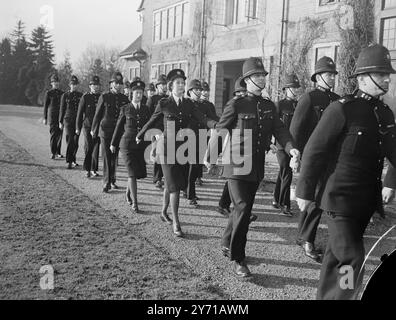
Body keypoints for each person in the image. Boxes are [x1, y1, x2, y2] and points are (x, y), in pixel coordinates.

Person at [296, 44, 396, 300]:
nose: (387, 78)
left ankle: (327, 296)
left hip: (364, 203)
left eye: (388, 74)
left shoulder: (384, 114)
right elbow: (314, 150)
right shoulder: (342, 109)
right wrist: (304, 191)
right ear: (362, 78)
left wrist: (391, 183)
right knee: (351, 258)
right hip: (339, 201)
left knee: (336, 255)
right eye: (381, 73)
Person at [208, 57, 300, 278]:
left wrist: (291, 148)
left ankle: (227, 241)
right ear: (247, 80)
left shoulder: (269, 106)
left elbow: (280, 130)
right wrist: (211, 157)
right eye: (257, 75)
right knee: (243, 208)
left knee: (242, 208)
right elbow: (220, 130)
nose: (262, 78)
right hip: (236, 165)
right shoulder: (236, 104)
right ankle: (239, 258)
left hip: (256, 167)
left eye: (263, 75)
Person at [136, 69, 217, 238]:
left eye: (183, 83)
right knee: (175, 188)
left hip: (183, 150)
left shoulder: (189, 104)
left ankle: (163, 211)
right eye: (178, 83)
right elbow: (152, 121)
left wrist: (215, 125)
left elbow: (202, 118)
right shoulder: (164, 103)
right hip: (166, 150)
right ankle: (176, 221)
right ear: (171, 85)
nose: (181, 85)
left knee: (172, 184)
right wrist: (140, 134)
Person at [289, 56, 340, 262]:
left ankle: (303, 236)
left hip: (331, 159)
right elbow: (296, 130)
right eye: (328, 74)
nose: (332, 77)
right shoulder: (308, 99)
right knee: (315, 200)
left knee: (318, 199)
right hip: (313, 158)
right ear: (318, 76)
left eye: (334, 74)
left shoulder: (337, 100)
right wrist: (296, 155)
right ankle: (307, 239)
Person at [111, 79, 151, 214]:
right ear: (131, 94)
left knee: (136, 173)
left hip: (140, 146)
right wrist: (113, 143)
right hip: (126, 145)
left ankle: (128, 194)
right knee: (132, 173)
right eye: (136, 93)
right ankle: (135, 202)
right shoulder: (125, 108)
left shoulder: (146, 109)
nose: (138, 95)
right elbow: (118, 127)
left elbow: (148, 126)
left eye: (140, 93)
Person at [91, 72, 130, 193]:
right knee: (107, 156)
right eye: (116, 83)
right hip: (105, 131)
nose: (118, 85)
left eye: (120, 83)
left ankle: (112, 179)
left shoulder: (124, 98)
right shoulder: (105, 96)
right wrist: (94, 129)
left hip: (118, 132)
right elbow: (97, 115)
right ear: (111, 84)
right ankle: (106, 181)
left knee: (114, 157)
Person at [217, 76, 247, 217]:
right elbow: (222, 127)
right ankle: (231, 207)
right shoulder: (233, 104)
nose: (244, 95)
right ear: (236, 93)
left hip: (245, 147)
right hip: (233, 146)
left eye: (245, 92)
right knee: (234, 179)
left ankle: (225, 205)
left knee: (236, 179)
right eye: (241, 93)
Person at [272, 73, 301, 217]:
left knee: (283, 172)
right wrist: (271, 143)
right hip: (281, 145)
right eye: (292, 88)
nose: (295, 90)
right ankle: (285, 204)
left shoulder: (300, 105)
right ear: (285, 89)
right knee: (287, 172)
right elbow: (274, 125)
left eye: (296, 88)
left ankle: (276, 199)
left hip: (294, 145)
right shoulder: (279, 105)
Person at [76, 75, 102, 178]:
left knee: (96, 148)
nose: (96, 87)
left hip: (98, 127)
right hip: (87, 126)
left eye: (97, 85)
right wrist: (78, 127)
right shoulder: (85, 97)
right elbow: (79, 113)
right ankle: (87, 168)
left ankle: (94, 169)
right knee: (88, 146)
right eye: (93, 85)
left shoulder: (101, 97)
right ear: (90, 86)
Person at [147, 74, 168, 189]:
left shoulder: (169, 98)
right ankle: (157, 178)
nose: (164, 87)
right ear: (157, 86)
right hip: (156, 130)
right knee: (158, 154)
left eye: (165, 84)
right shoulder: (152, 99)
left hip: (167, 130)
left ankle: (164, 176)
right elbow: (149, 116)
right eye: (161, 85)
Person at [59, 75, 83, 169]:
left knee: (76, 141)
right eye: (73, 84)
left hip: (78, 121)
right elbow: (62, 109)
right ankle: (69, 160)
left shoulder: (80, 95)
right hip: (68, 120)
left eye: (76, 84)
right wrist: (60, 121)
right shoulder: (65, 95)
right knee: (70, 140)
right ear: (70, 85)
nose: (74, 86)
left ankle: (73, 159)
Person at [43, 74, 64, 159]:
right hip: (52, 116)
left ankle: (58, 152)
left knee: (60, 134)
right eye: (54, 82)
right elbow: (45, 106)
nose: (56, 83)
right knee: (53, 134)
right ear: (51, 83)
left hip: (60, 116)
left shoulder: (62, 93)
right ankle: (53, 152)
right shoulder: (49, 93)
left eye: (57, 82)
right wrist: (45, 118)